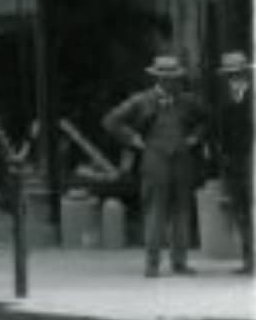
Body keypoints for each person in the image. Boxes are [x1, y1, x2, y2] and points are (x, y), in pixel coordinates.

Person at [104, 54, 208, 278]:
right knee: (155, 211)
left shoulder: (188, 101)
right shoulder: (142, 100)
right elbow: (111, 120)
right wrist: (133, 139)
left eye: (175, 78)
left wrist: (195, 138)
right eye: (167, 78)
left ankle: (179, 262)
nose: (172, 83)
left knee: (181, 211)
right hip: (154, 160)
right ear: (158, 79)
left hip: (182, 160)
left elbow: (206, 121)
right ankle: (152, 264)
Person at [217, 51, 253, 276]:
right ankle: (249, 259)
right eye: (230, 75)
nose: (233, 79)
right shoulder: (226, 101)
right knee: (242, 212)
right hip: (235, 163)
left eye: (237, 74)